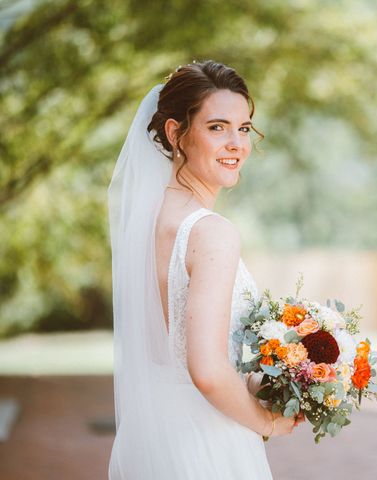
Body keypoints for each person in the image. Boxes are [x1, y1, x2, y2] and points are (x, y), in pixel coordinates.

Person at [107, 61, 300, 479]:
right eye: (217, 127)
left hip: (152, 438)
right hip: (207, 444)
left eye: (244, 128)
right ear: (176, 133)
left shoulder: (147, 224)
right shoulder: (211, 233)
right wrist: (266, 422)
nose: (236, 144)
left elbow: (171, 353)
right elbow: (207, 372)